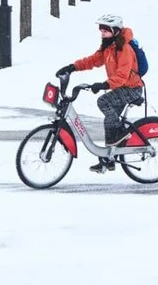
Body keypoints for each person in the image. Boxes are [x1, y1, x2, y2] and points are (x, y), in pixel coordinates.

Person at [58, 13, 145, 174]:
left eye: (105, 29)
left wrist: (104, 85)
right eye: (101, 29)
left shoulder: (124, 48)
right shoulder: (108, 47)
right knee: (109, 122)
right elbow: (92, 60)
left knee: (103, 102)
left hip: (132, 89)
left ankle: (121, 135)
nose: (102, 32)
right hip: (120, 88)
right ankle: (108, 160)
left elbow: (122, 75)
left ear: (115, 31)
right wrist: (72, 67)